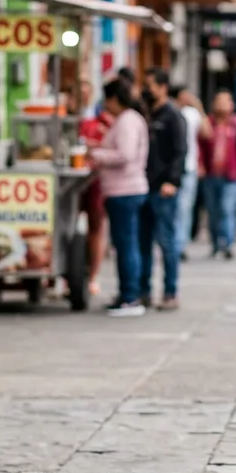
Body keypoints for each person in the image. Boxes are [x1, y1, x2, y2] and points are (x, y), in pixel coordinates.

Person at [90, 78, 150, 317]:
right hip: (125, 189)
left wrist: (98, 154)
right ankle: (128, 292)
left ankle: (130, 296)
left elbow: (125, 154)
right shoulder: (128, 120)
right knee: (127, 244)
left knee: (126, 245)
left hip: (125, 190)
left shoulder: (127, 121)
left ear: (114, 99)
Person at [138, 68, 187, 310]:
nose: (147, 90)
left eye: (151, 85)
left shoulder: (173, 116)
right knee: (143, 242)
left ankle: (170, 292)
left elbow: (180, 152)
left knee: (166, 242)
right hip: (142, 186)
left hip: (163, 190)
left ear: (163, 87)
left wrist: (173, 181)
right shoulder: (145, 113)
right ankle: (144, 291)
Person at [198, 90, 236, 258]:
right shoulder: (208, 123)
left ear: (231, 105)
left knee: (228, 209)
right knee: (213, 212)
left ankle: (228, 244)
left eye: (225, 101)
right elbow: (200, 147)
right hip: (211, 175)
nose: (222, 105)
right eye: (219, 101)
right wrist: (200, 165)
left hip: (231, 176)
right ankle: (215, 243)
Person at [77, 78, 116, 297]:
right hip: (74, 177)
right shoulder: (69, 116)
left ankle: (93, 275)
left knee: (96, 227)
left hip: (96, 179)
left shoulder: (103, 120)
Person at [172, 86, 205, 259]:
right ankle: (173, 244)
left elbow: (207, 133)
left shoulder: (192, 114)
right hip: (172, 167)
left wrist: (199, 107)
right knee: (174, 208)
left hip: (190, 166)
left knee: (185, 208)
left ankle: (180, 244)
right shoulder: (170, 112)